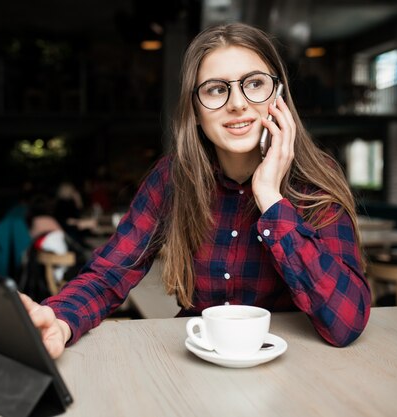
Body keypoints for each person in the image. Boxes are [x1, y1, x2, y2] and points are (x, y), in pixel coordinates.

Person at [20, 23, 371, 359]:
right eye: (217, 89)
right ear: (196, 110)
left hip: (297, 367)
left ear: (278, 96)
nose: (237, 103)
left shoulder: (314, 178)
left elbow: (347, 322)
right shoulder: (172, 177)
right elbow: (110, 273)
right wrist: (61, 320)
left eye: (254, 83)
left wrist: (271, 198)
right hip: (197, 365)